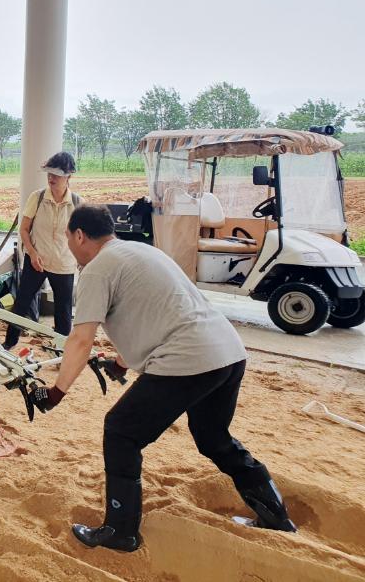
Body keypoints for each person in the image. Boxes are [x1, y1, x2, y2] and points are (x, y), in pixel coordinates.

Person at [31, 205, 296, 552]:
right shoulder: (141, 251)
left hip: (188, 358)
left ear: (79, 235)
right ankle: (277, 516)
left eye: (68, 237)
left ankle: (121, 530)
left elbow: (81, 340)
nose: (68, 245)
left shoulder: (97, 269)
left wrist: (56, 392)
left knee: (121, 431)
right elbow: (154, 312)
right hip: (227, 352)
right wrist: (122, 363)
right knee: (213, 438)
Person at [3, 152, 81, 349]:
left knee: (63, 311)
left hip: (64, 264)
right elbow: (24, 229)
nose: (51, 178)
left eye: (56, 174)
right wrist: (32, 253)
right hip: (36, 261)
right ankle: (9, 343)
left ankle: (61, 351)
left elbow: (81, 238)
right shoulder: (37, 197)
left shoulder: (77, 204)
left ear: (69, 176)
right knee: (21, 303)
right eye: (49, 173)